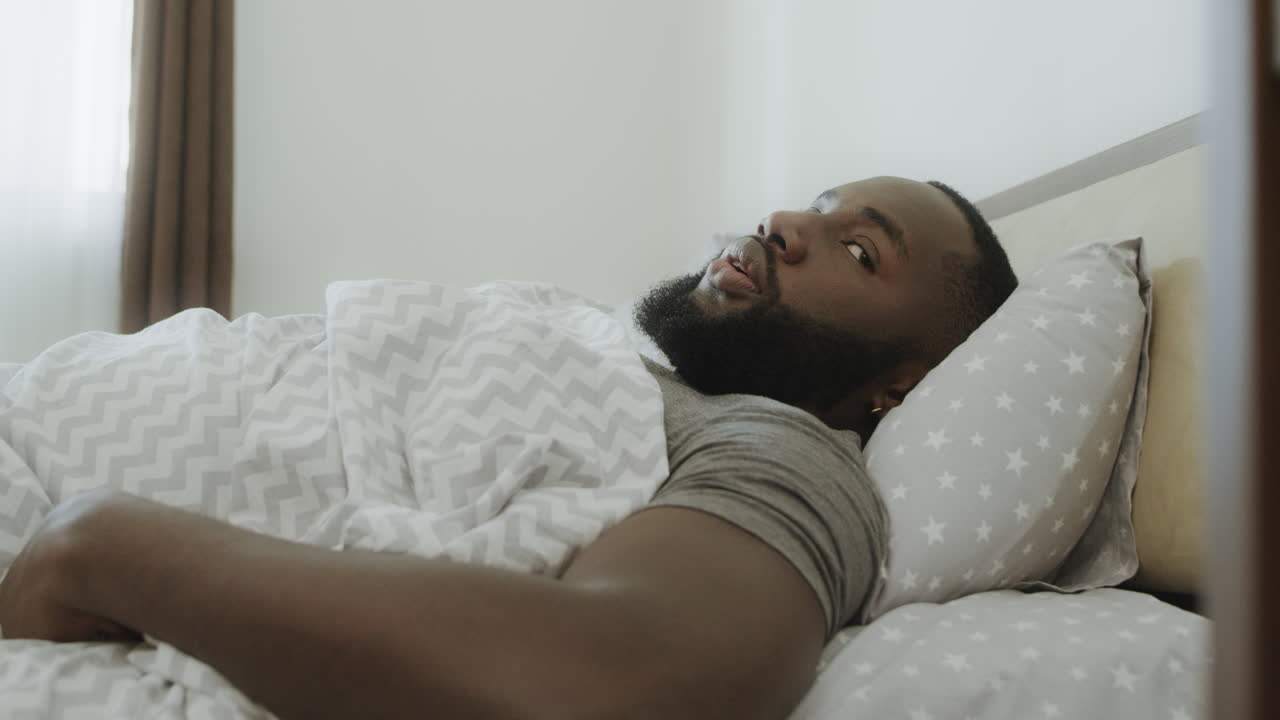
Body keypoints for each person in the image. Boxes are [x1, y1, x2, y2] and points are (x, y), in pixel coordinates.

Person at [0, 176, 1016, 720]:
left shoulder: (780, 454)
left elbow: (619, 677)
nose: (790, 220)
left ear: (903, 385)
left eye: (858, 249)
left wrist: (101, 545)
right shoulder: (614, 357)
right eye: (821, 200)